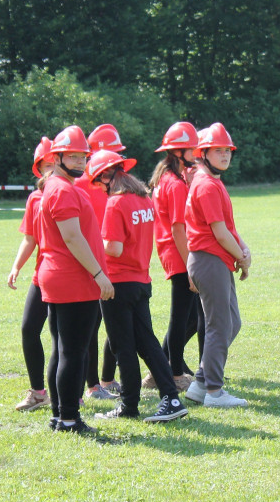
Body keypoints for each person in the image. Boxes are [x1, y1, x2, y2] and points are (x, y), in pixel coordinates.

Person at [86, 150, 188, 422]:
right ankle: (171, 397)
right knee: (148, 344)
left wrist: (92, 246)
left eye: (98, 181)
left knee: (123, 347)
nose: (98, 187)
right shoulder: (144, 198)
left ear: (107, 176)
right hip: (142, 281)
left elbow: (114, 249)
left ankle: (129, 406)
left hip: (117, 284)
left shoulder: (115, 204)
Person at [37, 126, 114, 434]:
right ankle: (69, 419)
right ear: (57, 158)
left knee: (63, 349)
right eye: (73, 155)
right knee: (73, 352)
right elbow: (71, 236)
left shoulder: (61, 187)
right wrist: (98, 274)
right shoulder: (61, 189)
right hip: (73, 279)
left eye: (83, 156)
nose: (80, 162)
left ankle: (60, 416)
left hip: (64, 278)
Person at [183, 123, 252, 408]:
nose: (225, 155)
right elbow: (219, 231)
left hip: (215, 260)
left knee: (230, 323)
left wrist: (242, 249)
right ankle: (214, 391)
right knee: (218, 325)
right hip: (209, 260)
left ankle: (200, 384)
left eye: (228, 150)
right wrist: (241, 256)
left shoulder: (212, 181)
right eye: (219, 150)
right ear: (204, 153)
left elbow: (227, 227)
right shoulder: (207, 185)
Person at [149, 121, 205, 391]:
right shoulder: (175, 184)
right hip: (180, 254)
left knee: (189, 316)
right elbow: (177, 227)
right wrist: (191, 264)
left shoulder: (169, 179)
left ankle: (162, 367)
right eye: (192, 149)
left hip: (173, 252)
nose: (196, 152)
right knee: (182, 317)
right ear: (179, 152)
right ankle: (172, 373)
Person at [73, 124, 123, 400]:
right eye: (113, 153)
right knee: (88, 328)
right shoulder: (83, 184)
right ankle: (90, 385)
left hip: (107, 262)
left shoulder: (109, 182)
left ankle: (100, 381)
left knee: (102, 325)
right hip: (90, 264)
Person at [7, 137, 53, 413]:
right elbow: (30, 238)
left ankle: (74, 392)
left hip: (70, 277)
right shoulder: (35, 198)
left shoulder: (75, 193)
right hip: (42, 274)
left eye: (53, 164)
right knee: (29, 328)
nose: (49, 170)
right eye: (45, 165)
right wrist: (16, 267)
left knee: (64, 337)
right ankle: (38, 392)